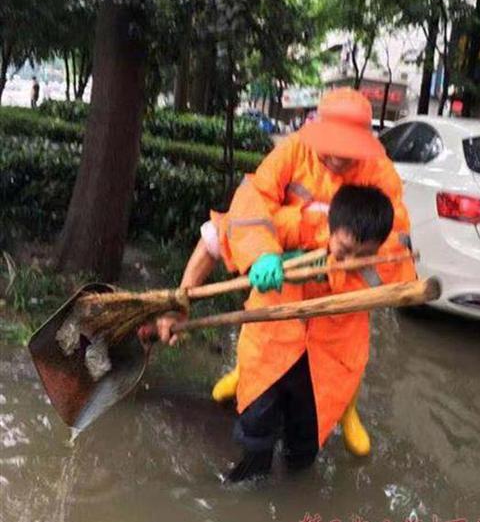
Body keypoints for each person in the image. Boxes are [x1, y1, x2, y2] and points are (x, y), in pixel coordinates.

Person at [154, 88, 415, 478]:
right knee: (256, 422)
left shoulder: (381, 176)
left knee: (308, 434)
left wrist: (326, 256)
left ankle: (341, 412)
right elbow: (241, 215)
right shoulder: (291, 153)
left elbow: (393, 255)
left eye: (349, 149)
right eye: (332, 147)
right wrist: (264, 254)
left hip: (335, 326)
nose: (339, 157)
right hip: (274, 316)